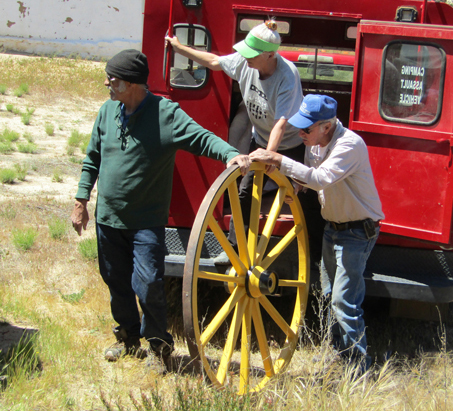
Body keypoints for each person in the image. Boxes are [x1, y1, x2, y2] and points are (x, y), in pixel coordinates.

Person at [70, 49, 250, 365]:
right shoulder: (107, 112)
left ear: (132, 84)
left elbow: (201, 137)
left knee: (148, 283)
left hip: (145, 222)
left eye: (112, 80)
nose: (107, 84)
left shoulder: (165, 115)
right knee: (116, 282)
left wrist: (229, 154)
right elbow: (92, 157)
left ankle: (158, 346)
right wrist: (81, 200)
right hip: (108, 219)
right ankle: (127, 339)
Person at [165, 21, 325, 266]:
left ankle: (316, 256)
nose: (245, 57)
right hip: (260, 139)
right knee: (246, 189)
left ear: (270, 54)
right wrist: (180, 48)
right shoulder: (244, 61)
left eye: (252, 53)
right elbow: (214, 61)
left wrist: (270, 156)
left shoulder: (287, 76)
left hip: (291, 143)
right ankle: (233, 248)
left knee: (305, 197)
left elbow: (281, 124)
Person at [249, 94, 384, 370]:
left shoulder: (350, 145)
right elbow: (311, 175)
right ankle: (339, 355)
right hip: (332, 229)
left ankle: (359, 368)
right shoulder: (315, 144)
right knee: (327, 296)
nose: (301, 134)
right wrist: (296, 187)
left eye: (307, 129)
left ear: (327, 125)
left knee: (344, 302)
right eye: (300, 127)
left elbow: (321, 178)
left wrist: (278, 159)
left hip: (357, 232)